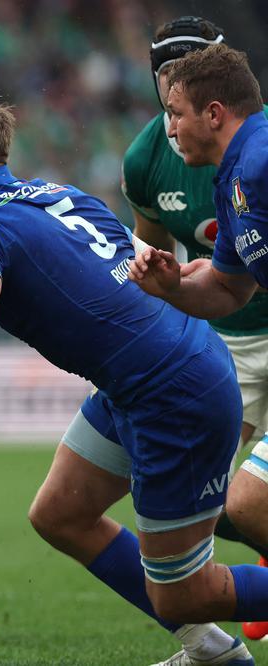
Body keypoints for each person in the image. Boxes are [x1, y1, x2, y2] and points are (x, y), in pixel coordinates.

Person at [0, 91, 268, 666]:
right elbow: (137, 265)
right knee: (60, 515)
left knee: (184, 593)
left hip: (171, 392)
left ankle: (208, 642)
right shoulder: (57, 193)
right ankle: (211, 651)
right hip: (156, 370)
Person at [127, 42, 268, 645]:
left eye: (176, 113)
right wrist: (170, 288)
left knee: (248, 503)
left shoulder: (261, 160)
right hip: (240, 342)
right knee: (235, 501)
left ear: (213, 113)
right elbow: (230, 289)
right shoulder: (233, 176)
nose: (169, 127)